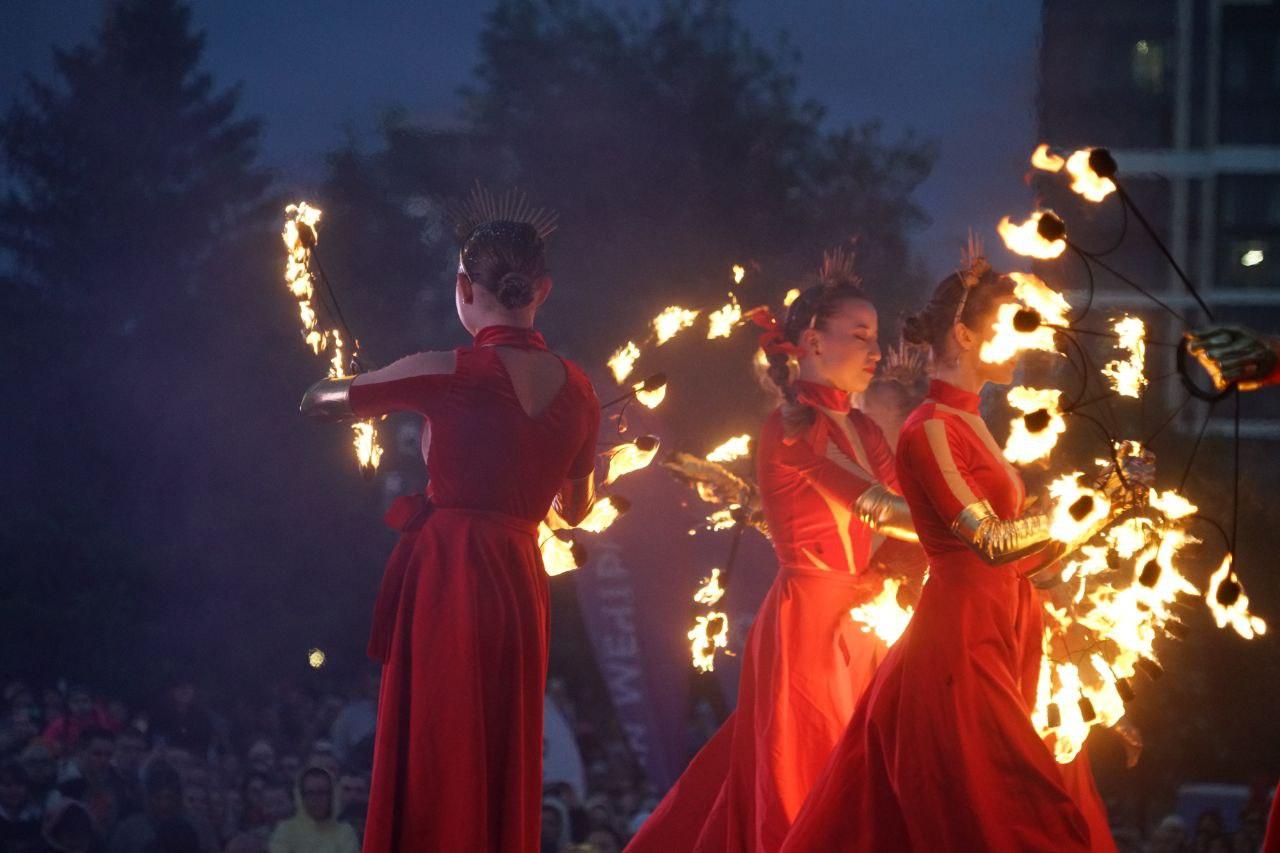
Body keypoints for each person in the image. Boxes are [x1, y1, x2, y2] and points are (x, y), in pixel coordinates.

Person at [781, 255, 1132, 852]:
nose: (1024, 338)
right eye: (1009, 323)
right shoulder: (931, 426)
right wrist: (1085, 507)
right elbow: (990, 541)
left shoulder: (972, 425)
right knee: (1004, 815)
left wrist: (1108, 508)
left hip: (1002, 628)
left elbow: (1025, 555)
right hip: (961, 645)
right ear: (965, 334)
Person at [300, 197, 600, 852]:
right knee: (497, 739)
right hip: (520, 579)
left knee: (443, 735)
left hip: (451, 569)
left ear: (465, 288)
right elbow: (575, 509)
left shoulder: (446, 370)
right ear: (542, 289)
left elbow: (320, 404)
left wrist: (352, 372)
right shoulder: (580, 389)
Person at [629, 250, 919, 852]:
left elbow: (903, 508)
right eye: (860, 336)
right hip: (810, 624)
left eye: (877, 337)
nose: (876, 352)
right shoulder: (793, 426)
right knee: (809, 781)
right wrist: (984, 533)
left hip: (866, 619)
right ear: (812, 342)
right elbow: (886, 511)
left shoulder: (863, 428)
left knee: (865, 778)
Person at [266, 767, 357, 853]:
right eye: (310, 793)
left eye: (322, 792)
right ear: (301, 796)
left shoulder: (345, 832)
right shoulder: (285, 831)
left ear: (332, 795)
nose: (316, 798)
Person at [0, 762, 42, 851]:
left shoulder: (38, 818)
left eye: (19, 784)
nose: (14, 790)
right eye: (7, 785)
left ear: (27, 787)